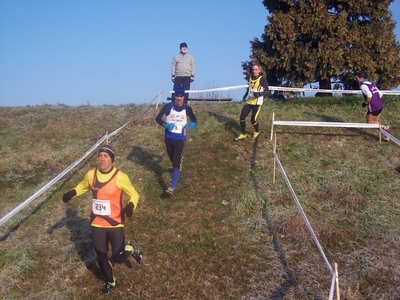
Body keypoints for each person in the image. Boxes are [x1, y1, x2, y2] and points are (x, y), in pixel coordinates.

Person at [62, 144, 143, 294]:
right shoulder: (91, 175)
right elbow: (83, 186)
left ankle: (131, 248)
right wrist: (73, 192)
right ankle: (111, 282)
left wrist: (131, 206)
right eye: (99, 156)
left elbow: (134, 194)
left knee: (118, 258)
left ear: (112, 159)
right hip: (97, 222)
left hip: (115, 223)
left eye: (105, 156)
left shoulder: (120, 177)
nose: (102, 159)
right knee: (101, 255)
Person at [156, 86, 197, 196]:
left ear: (184, 97)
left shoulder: (187, 109)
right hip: (169, 138)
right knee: (172, 158)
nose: (179, 98)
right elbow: (158, 118)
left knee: (175, 163)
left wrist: (193, 123)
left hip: (180, 139)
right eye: (177, 96)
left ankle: (171, 188)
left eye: (181, 96)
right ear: (174, 97)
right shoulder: (168, 107)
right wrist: (166, 125)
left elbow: (194, 118)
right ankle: (179, 162)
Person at [235, 63, 270, 141]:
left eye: (256, 70)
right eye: (253, 69)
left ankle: (257, 131)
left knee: (253, 120)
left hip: (257, 102)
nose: (254, 71)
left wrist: (259, 94)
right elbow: (249, 88)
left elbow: (267, 90)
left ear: (259, 70)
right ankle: (243, 134)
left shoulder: (262, 79)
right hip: (250, 101)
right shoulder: (250, 78)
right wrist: (245, 95)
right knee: (242, 117)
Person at [354, 71, 390, 141]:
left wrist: (365, 103)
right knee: (375, 122)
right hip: (380, 105)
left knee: (370, 123)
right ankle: (385, 134)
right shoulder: (371, 84)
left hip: (373, 106)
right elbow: (380, 94)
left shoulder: (363, 86)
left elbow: (369, 96)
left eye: (356, 78)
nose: (356, 79)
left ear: (359, 77)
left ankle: (385, 128)